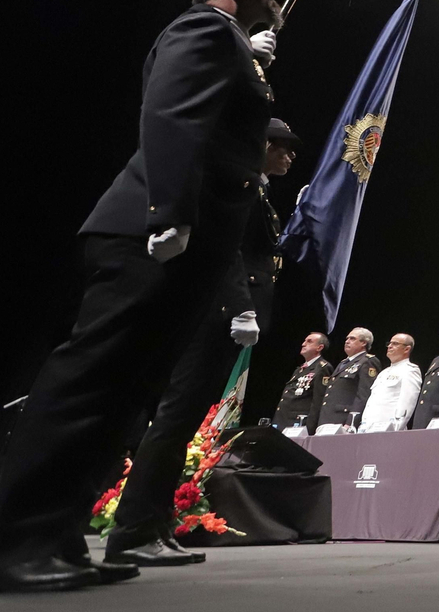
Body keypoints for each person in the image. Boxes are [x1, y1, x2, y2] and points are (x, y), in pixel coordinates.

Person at [0, 0, 283, 594]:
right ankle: (13, 540)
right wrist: (168, 212)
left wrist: (248, 59)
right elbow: (172, 113)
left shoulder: (229, 38)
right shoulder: (204, 26)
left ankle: (54, 533)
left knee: (125, 398)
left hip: (184, 239)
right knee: (90, 382)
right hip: (152, 231)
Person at [105, 117, 301, 568]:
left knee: (185, 425)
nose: (289, 157)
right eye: (283, 148)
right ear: (261, 144)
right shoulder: (239, 185)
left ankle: (153, 525)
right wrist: (240, 306)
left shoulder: (261, 193)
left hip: (226, 315)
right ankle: (133, 528)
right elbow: (226, 248)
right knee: (175, 420)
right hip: (218, 314)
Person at [316, 328, 382, 430]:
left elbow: (364, 395)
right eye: (347, 338)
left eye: (352, 338)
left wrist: (351, 422)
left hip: (344, 420)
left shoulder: (367, 361)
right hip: (328, 419)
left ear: (363, 343)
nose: (347, 341)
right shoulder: (343, 363)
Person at [357, 334, 422, 432]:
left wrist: (396, 428)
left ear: (406, 349)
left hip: (388, 429)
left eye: (395, 343)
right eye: (389, 343)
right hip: (369, 428)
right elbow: (372, 402)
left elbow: (407, 402)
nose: (390, 346)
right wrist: (363, 426)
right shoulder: (383, 373)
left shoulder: (410, 370)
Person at [274, 332, 333, 432]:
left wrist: (309, 429)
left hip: (298, 423)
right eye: (304, 341)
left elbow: (318, 401)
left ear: (319, 347)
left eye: (309, 341)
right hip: (283, 420)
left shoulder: (323, 368)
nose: (303, 344)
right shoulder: (300, 369)